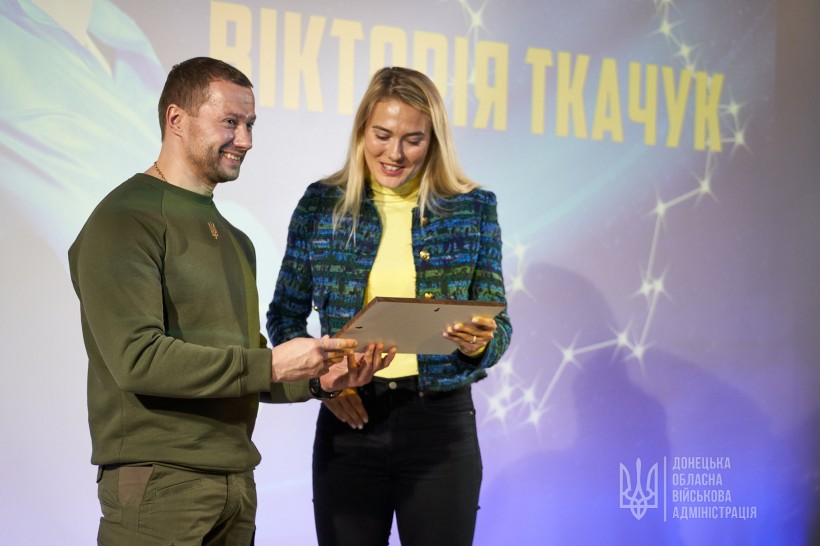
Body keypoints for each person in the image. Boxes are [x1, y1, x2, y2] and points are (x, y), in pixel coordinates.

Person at [68, 56, 391, 546]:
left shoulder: (237, 239)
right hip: (159, 483)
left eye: (250, 124)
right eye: (231, 122)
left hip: (235, 484)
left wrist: (320, 381)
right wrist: (272, 365)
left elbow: (243, 365)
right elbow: (137, 360)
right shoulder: (124, 219)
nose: (246, 140)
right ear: (176, 119)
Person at [267, 66, 512, 546]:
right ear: (362, 131)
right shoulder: (320, 205)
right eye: (382, 135)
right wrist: (324, 383)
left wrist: (480, 343)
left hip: (440, 426)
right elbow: (284, 315)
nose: (394, 153)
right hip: (350, 420)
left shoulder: (474, 208)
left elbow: (498, 324)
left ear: (434, 141)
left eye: (413, 140)